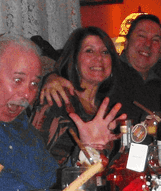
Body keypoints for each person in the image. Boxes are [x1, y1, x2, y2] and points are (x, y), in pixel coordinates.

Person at [0, 34, 121, 191]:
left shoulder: (24, 127)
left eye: (34, 84)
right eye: (18, 80)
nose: (27, 94)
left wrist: (86, 150)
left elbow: (57, 184)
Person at [40, 14, 161, 131]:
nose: (148, 44)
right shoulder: (107, 71)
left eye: (155, 40)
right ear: (126, 42)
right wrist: (51, 77)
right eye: (141, 36)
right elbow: (59, 60)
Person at [29, 27, 123, 165]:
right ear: (74, 59)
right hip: (59, 184)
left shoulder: (105, 111)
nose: (98, 58)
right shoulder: (58, 100)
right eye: (89, 51)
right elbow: (30, 157)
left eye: (105, 52)